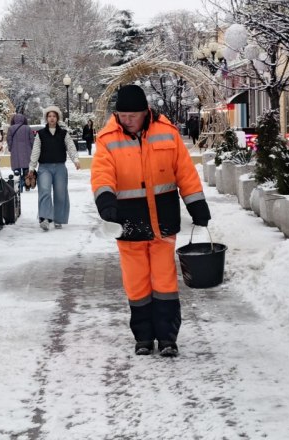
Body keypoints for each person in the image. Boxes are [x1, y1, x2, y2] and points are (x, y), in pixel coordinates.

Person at [90, 85, 211, 357]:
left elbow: (185, 173)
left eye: (132, 114)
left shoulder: (168, 133)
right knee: (137, 282)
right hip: (128, 220)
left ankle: (168, 337)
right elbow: (102, 174)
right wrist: (106, 202)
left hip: (162, 220)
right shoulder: (107, 139)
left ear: (146, 112)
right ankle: (143, 337)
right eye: (122, 114)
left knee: (164, 281)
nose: (127, 119)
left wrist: (197, 205)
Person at [27, 105, 81, 231]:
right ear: (46, 118)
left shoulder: (63, 134)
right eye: (49, 116)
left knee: (60, 193)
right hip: (44, 168)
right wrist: (31, 166)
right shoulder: (40, 134)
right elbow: (36, 151)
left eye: (54, 116)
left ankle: (58, 219)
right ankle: (45, 219)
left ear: (57, 118)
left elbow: (71, 147)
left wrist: (76, 160)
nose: (51, 118)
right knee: (45, 191)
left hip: (60, 168)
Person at [7, 113, 35, 192]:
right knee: (26, 169)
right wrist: (32, 148)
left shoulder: (11, 128)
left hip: (15, 153)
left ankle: (19, 186)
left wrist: (10, 148)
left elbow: (9, 140)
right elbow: (32, 140)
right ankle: (26, 184)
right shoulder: (27, 128)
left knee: (17, 171)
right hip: (27, 152)